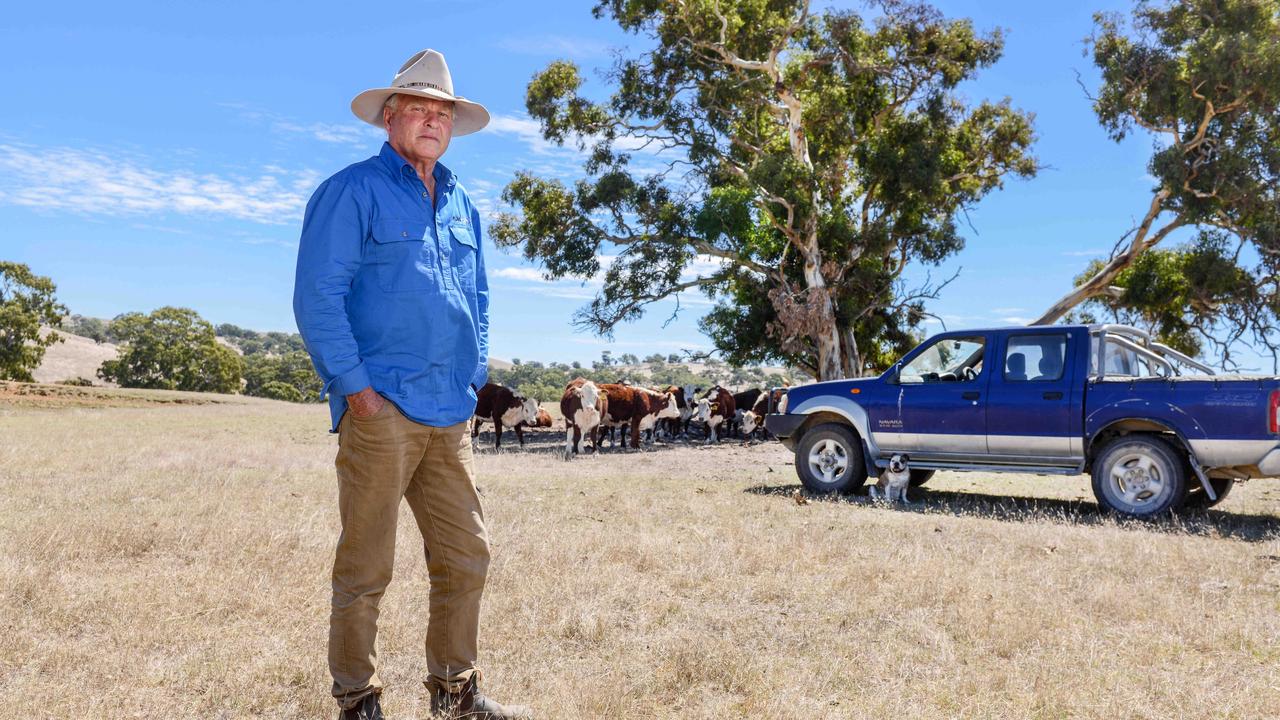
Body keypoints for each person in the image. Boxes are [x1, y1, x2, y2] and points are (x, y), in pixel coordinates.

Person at [294, 49, 531, 720]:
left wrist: (473, 372)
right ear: (390, 117)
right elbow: (318, 297)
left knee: (467, 556)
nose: (432, 121)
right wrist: (357, 390)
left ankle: (455, 692)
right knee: (367, 567)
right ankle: (357, 699)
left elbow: (478, 298)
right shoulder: (352, 191)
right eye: (419, 109)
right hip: (382, 408)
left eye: (442, 113)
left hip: (448, 412)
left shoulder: (462, 204)